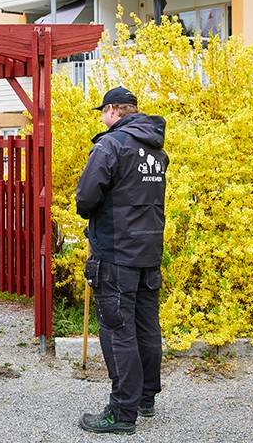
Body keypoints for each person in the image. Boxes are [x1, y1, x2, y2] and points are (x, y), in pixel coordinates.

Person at [75, 86, 169, 435]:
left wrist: (90, 212)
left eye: (103, 111)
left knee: (118, 330)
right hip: (148, 251)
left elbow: (86, 196)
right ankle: (145, 398)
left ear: (114, 110)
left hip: (116, 252)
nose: (102, 118)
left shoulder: (110, 145)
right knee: (146, 327)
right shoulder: (157, 151)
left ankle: (121, 412)